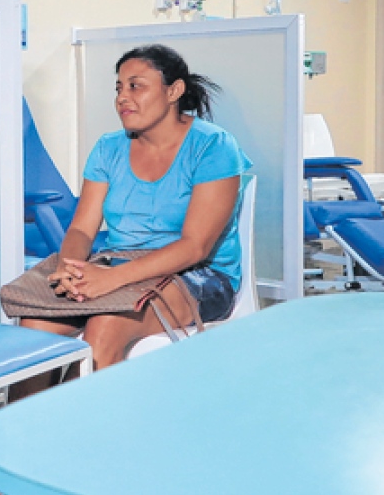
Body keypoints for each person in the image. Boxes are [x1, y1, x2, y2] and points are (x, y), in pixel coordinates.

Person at [15, 44, 251, 382]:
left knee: (105, 325)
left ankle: (89, 416)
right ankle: (28, 418)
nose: (122, 98)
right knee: (34, 326)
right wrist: (71, 267)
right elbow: (82, 229)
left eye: (136, 86)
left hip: (199, 275)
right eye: (119, 88)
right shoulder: (108, 148)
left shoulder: (213, 147)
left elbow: (195, 246)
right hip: (121, 265)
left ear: (174, 91)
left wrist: (111, 279)